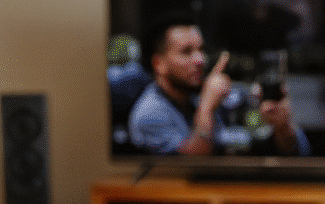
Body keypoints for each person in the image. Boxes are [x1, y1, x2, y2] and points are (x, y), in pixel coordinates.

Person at [128, 13, 310, 157]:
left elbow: (297, 153)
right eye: (186, 52)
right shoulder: (149, 113)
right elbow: (190, 166)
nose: (200, 60)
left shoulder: (197, 96)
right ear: (159, 64)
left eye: (201, 49)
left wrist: (281, 126)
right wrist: (207, 107)